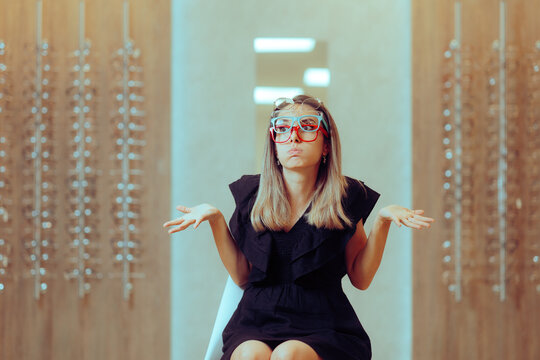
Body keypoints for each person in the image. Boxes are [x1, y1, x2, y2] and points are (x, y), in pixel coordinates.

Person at [163, 95, 434, 360]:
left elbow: (360, 279)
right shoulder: (251, 196)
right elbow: (243, 277)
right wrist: (216, 220)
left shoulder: (346, 197)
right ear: (275, 146)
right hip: (256, 319)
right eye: (282, 129)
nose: (293, 137)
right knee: (249, 354)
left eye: (307, 127)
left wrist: (383, 223)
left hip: (323, 324)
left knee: (288, 354)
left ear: (326, 145)